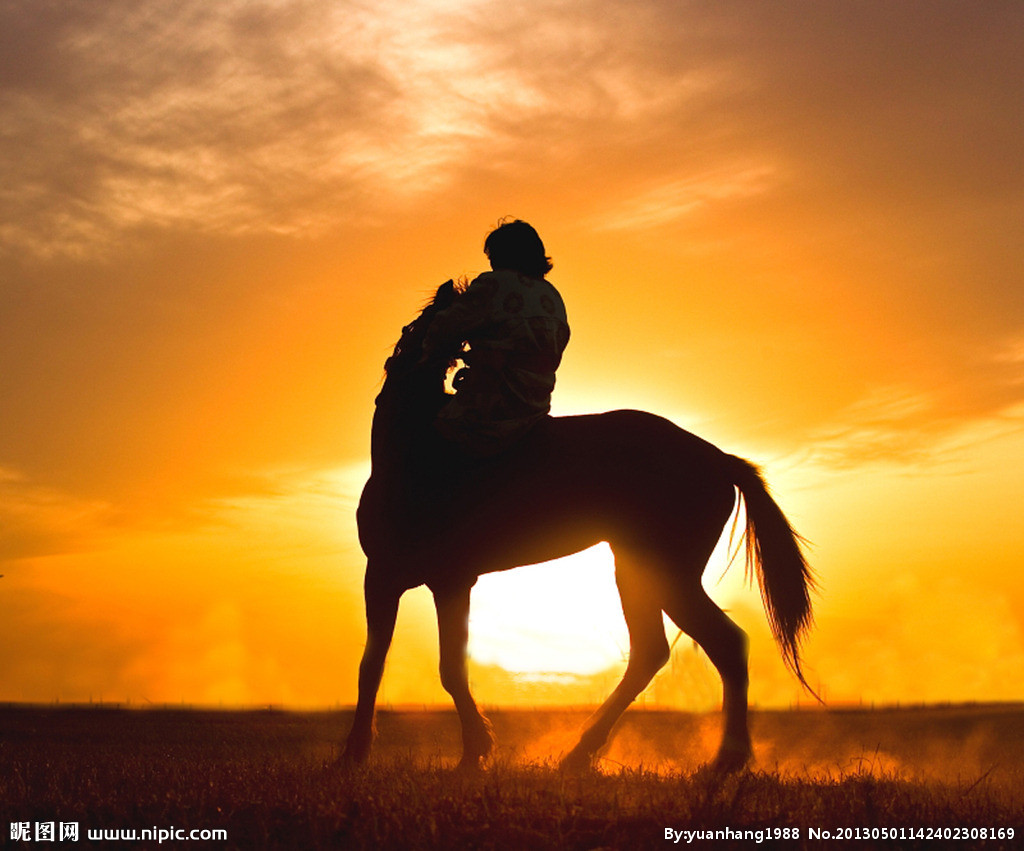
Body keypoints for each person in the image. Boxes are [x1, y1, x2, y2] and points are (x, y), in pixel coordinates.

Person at [422, 220, 570, 458]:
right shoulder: (553, 295)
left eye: (493, 256)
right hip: (535, 408)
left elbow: (441, 331)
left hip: (492, 411)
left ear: (503, 255)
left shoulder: (494, 284)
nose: (490, 263)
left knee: (427, 443)